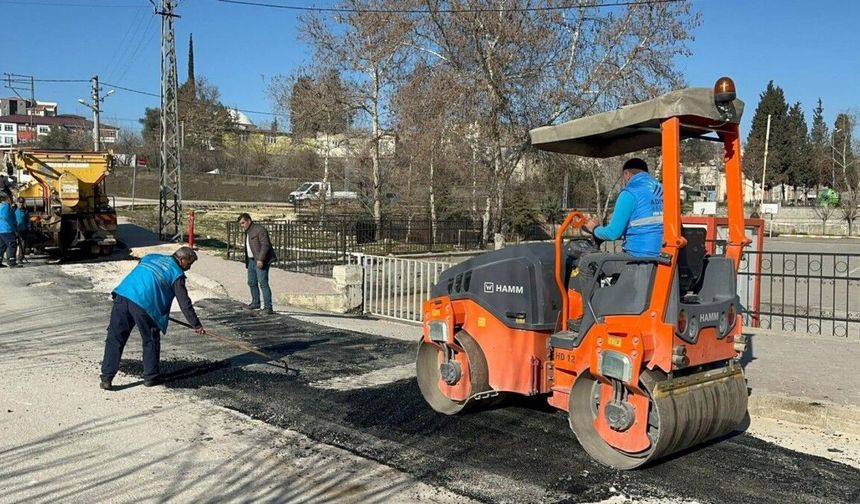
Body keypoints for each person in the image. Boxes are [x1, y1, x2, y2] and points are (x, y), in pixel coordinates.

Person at [99, 246, 205, 391]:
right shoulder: (176, 274)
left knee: (115, 338)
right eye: (189, 263)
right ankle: (151, 376)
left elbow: (142, 271)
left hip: (123, 296)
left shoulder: (151, 257)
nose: (189, 268)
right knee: (150, 340)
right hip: (146, 305)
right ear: (181, 260)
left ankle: (106, 378)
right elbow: (184, 303)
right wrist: (196, 324)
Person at [583, 157, 664, 257]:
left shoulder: (630, 192)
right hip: (664, 254)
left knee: (588, 262)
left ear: (627, 174)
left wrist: (594, 228)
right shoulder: (663, 189)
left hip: (639, 257)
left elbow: (613, 233)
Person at [238, 213, 276, 315]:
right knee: (251, 282)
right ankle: (255, 302)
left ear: (249, 221)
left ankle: (268, 307)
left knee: (263, 283)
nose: (242, 225)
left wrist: (261, 259)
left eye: (243, 223)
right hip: (251, 261)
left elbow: (265, 245)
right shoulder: (248, 231)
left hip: (260, 260)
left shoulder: (259, 230)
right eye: (240, 224)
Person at [0, 194, 19, 268]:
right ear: (7, 199)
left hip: (1, 229)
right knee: (12, 244)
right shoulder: (6, 206)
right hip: (7, 229)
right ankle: (12, 262)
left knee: (2, 246)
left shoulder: (1, 206)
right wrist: (14, 223)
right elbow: (6, 216)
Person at [14, 197, 29, 263]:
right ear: (17, 202)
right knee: (12, 245)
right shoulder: (13, 210)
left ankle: (20, 259)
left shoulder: (25, 211)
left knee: (22, 245)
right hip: (14, 230)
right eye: (19, 202)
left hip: (23, 230)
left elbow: (27, 220)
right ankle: (12, 259)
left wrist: (28, 227)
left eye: (22, 203)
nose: (21, 204)